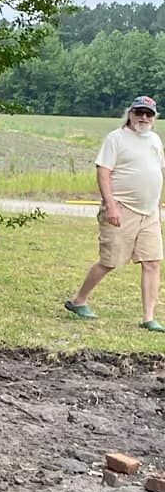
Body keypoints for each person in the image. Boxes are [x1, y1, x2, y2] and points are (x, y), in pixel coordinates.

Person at [64, 96, 165, 331]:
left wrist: (157, 204)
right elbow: (103, 172)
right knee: (109, 261)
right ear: (130, 113)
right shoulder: (116, 138)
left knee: (152, 262)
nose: (143, 118)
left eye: (149, 114)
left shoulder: (154, 140)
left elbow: (156, 171)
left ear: (154, 118)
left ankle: (149, 318)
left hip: (149, 212)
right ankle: (79, 300)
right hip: (121, 208)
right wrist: (110, 205)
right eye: (139, 112)